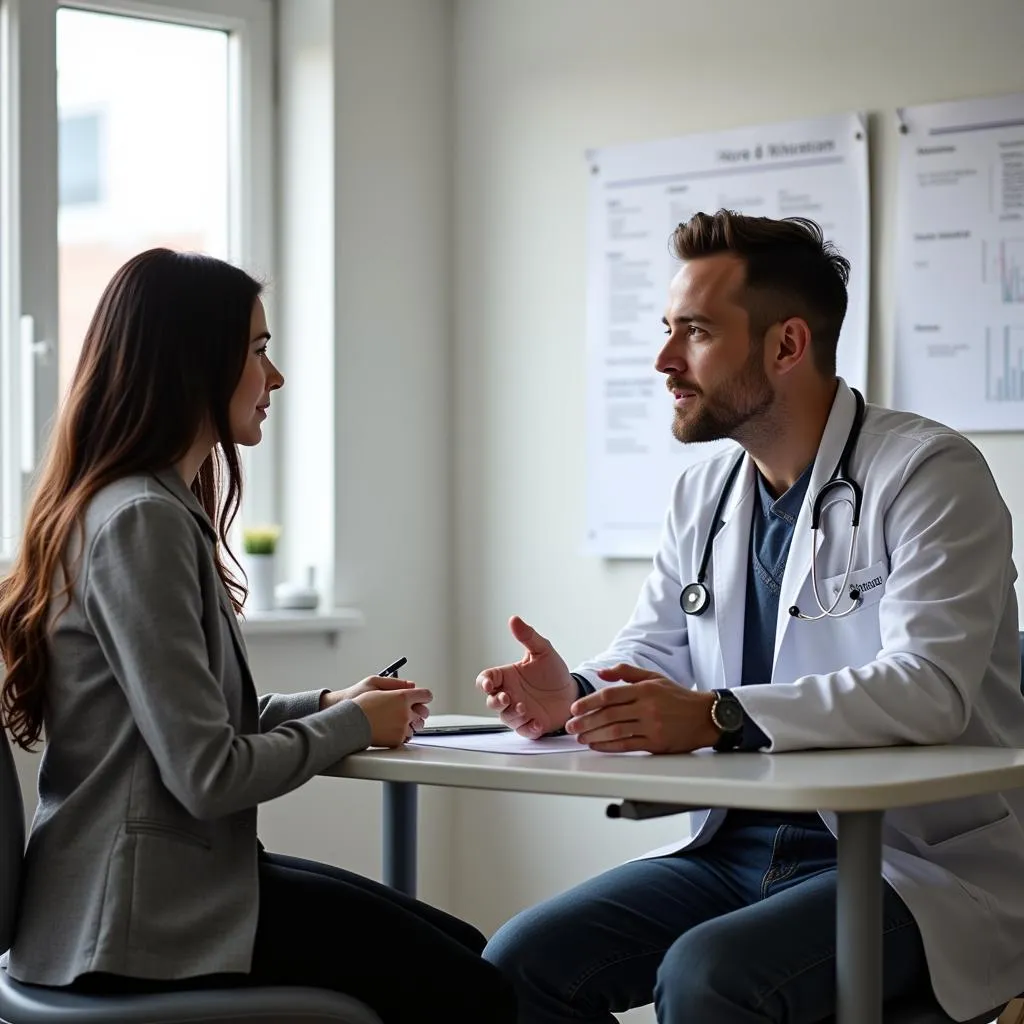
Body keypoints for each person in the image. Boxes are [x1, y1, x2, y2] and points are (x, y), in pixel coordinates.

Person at [476, 210, 1024, 1024]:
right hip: (734, 849)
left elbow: (930, 687)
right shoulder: (707, 492)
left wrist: (718, 714)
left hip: (906, 862)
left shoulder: (929, 472)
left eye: (693, 332)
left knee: (710, 976)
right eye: (667, 330)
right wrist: (579, 694)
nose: (662, 360)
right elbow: (657, 646)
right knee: (519, 962)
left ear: (786, 346)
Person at [0, 249, 516, 1024]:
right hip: (132, 924)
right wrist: (349, 724)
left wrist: (331, 702)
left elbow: (181, 724)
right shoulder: (141, 519)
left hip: (143, 898)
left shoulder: (132, 506)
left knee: (469, 951)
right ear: (192, 361)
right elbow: (207, 772)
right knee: (477, 989)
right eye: (259, 351)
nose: (274, 379)